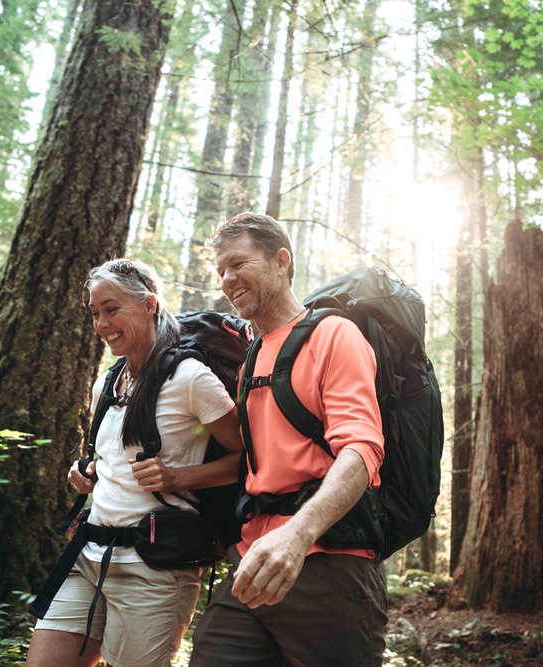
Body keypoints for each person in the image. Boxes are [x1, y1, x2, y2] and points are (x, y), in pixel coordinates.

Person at [189, 213, 388, 667]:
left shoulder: (333, 334)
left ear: (281, 262)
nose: (227, 279)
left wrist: (297, 535)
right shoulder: (252, 357)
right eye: (221, 270)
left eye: (239, 263)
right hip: (253, 560)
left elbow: (362, 448)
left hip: (329, 559)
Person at [27, 258, 244, 667]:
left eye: (111, 309)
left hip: (155, 569)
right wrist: (89, 472)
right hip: (88, 556)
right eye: (95, 313)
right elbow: (112, 458)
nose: (102, 324)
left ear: (149, 305)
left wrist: (177, 477)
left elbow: (248, 459)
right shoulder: (107, 382)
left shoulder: (191, 378)